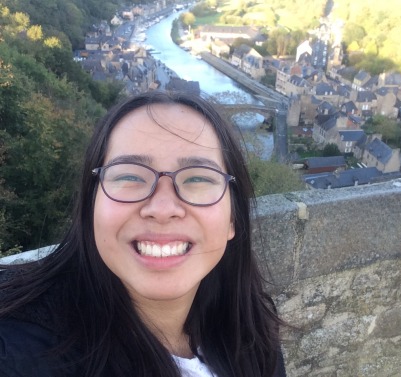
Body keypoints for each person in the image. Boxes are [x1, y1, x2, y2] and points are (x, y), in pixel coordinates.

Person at [0, 91, 286, 377]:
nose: (163, 209)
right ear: (91, 207)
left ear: (232, 219)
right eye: (130, 176)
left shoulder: (253, 333)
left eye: (198, 178)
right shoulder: (18, 349)